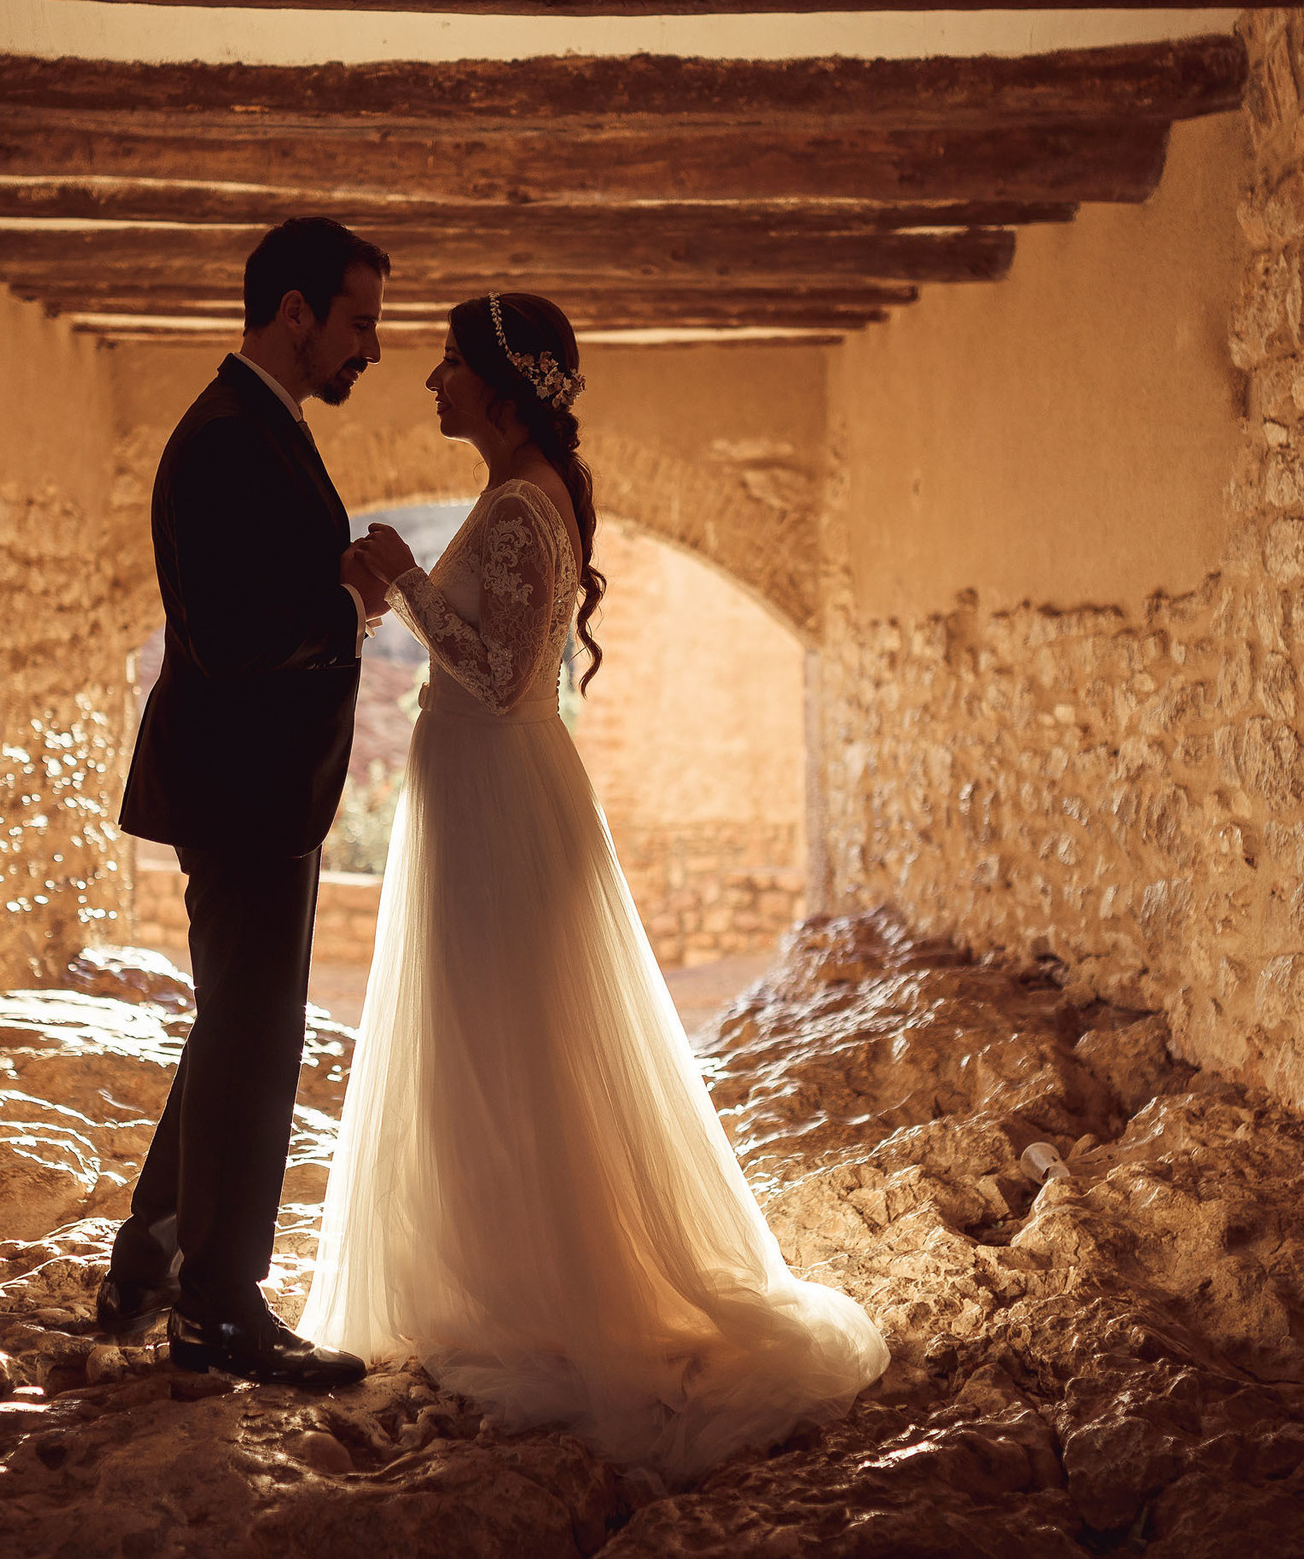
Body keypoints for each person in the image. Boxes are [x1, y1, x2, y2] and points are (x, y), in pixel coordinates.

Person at [305, 293, 888, 1475]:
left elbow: (503, 672)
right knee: (489, 1034)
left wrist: (407, 582)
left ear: (504, 392)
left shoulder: (522, 504)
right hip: (479, 790)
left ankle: (546, 1292)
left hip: (497, 794)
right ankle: (497, 1271)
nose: (430, 382)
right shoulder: (519, 491)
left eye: (451, 365)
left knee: (513, 1032)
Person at [99, 217, 391, 1388]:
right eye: (358, 320)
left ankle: (152, 1257)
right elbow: (226, 633)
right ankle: (218, 1309)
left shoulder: (256, 425)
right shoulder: (226, 437)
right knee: (257, 1037)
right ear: (294, 312)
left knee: (238, 1022)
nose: (369, 347)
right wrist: (352, 600)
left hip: (258, 786)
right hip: (243, 789)